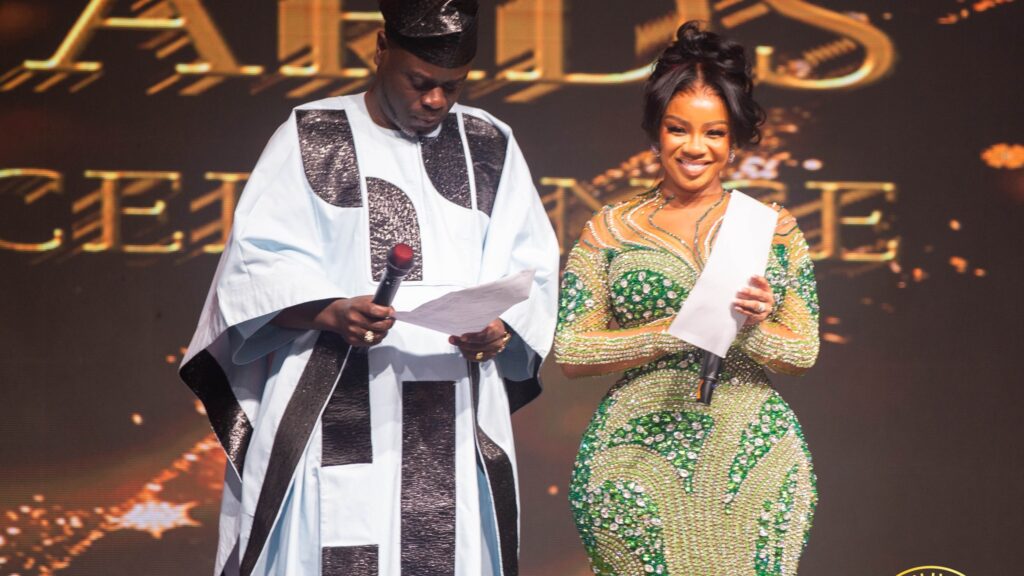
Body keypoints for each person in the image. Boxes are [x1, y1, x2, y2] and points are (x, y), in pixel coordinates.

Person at [178, 1, 559, 575]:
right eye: (420, 82)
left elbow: (532, 267)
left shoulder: (489, 142)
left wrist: (499, 327)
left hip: (452, 415)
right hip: (333, 403)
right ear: (382, 49)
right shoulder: (314, 133)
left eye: (453, 86)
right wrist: (330, 311)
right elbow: (252, 270)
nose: (436, 100)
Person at [554, 22, 820, 575]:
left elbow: (802, 352)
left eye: (714, 133)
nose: (695, 148)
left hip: (754, 456)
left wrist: (753, 326)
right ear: (656, 132)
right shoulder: (610, 229)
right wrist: (673, 330)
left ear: (734, 139)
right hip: (635, 462)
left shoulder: (772, 228)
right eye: (678, 129)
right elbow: (572, 351)